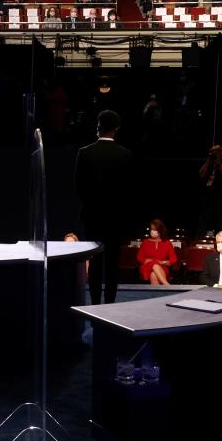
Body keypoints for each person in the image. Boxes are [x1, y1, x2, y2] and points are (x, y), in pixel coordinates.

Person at [73, 109, 133, 304]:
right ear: (116, 129)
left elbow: (79, 189)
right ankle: (110, 305)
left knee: (96, 263)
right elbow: (129, 191)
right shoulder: (125, 155)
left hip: (92, 217)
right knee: (113, 264)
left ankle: (96, 304)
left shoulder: (84, 153)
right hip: (116, 219)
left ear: (98, 127)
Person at [198, 143, 222, 234]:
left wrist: (219, 165)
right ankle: (199, 241)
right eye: (211, 152)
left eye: (214, 152)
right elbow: (201, 174)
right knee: (204, 222)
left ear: (221, 152)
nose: (212, 154)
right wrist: (208, 161)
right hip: (209, 197)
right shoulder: (209, 163)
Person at [137, 219, 179, 286]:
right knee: (154, 263)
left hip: (162, 268)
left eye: (155, 230)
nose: (152, 231)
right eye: (151, 229)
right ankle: (167, 285)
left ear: (160, 231)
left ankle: (157, 294)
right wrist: (148, 261)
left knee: (153, 275)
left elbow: (173, 259)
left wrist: (162, 262)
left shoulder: (167, 243)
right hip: (147, 267)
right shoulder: (145, 242)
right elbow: (139, 258)